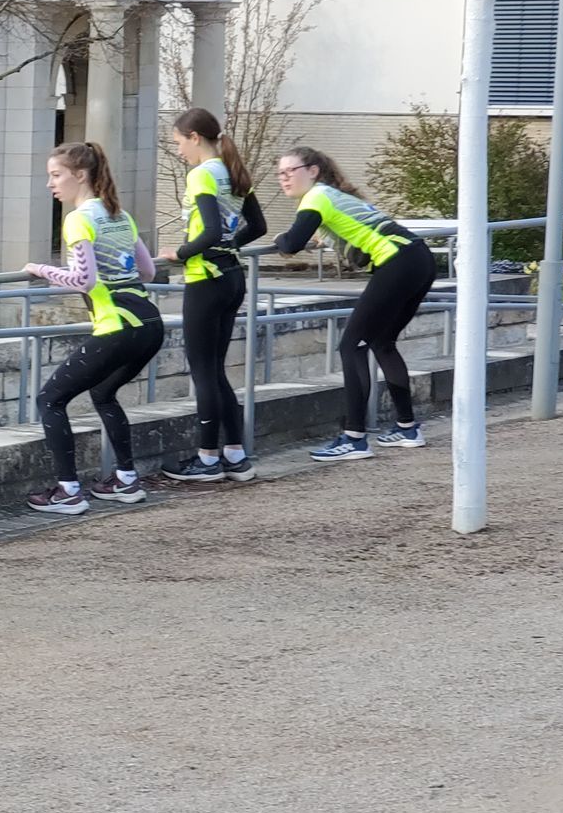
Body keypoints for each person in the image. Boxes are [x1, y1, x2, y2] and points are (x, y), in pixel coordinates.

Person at [24, 142, 166, 516]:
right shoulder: (119, 214)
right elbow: (148, 272)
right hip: (149, 322)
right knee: (103, 393)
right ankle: (126, 479)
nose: (50, 184)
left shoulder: (78, 219)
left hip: (117, 325)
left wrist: (40, 270)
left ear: (80, 175)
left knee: (49, 399)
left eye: (56, 175)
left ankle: (68, 491)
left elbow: (83, 280)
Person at [270, 147, 436, 458]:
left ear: (313, 171)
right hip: (418, 259)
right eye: (280, 173)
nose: (284, 179)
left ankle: (354, 438)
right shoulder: (332, 197)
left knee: (351, 346)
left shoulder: (316, 197)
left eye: (290, 171)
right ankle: (407, 428)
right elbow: (351, 237)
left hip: (397, 263)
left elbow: (291, 244)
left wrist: (280, 239)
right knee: (382, 343)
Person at [157, 108, 268, 484]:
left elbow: (209, 232)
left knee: (203, 370)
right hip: (232, 276)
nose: (178, 151)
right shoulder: (232, 171)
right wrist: (230, 246)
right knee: (216, 369)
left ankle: (207, 458)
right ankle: (235, 454)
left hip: (205, 278)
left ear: (194, 137)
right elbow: (258, 226)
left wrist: (179, 253)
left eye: (178, 143)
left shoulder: (202, 174)